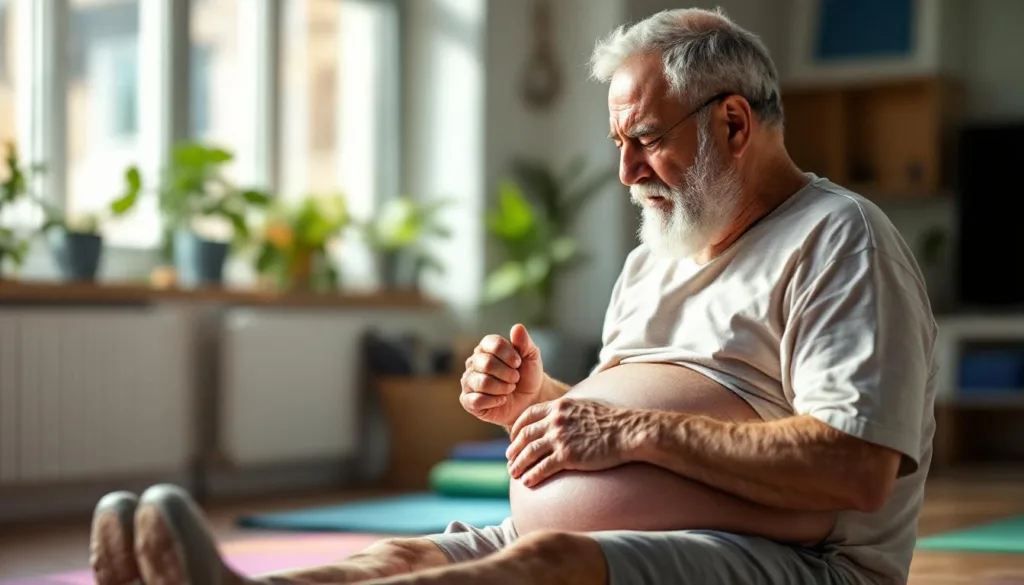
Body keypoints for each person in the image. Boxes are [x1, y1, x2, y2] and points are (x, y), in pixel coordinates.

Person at [88, 7, 936, 585]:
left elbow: (853, 468)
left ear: (734, 124)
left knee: (551, 566)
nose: (625, 172)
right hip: (606, 531)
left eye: (644, 139)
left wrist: (629, 425)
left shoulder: (839, 238)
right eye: (618, 142)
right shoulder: (660, 250)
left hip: (794, 564)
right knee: (400, 556)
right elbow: (625, 434)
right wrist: (539, 403)